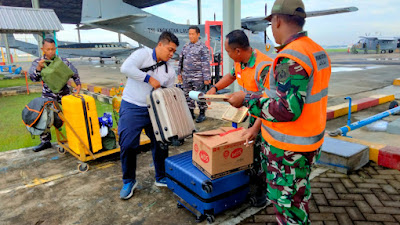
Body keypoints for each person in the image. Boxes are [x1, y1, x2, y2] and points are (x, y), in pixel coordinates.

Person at [226, 0, 331, 224]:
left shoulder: (288, 58)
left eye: (271, 23)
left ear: (278, 20)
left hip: (289, 150)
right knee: (298, 197)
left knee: (287, 207)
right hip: (310, 142)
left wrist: (246, 101)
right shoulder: (317, 51)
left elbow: (286, 108)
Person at [207, 30, 273, 207]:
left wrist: (254, 128)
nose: (226, 54)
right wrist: (214, 88)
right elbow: (231, 76)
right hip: (253, 115)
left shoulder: (264, 67)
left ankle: (262, 193)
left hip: (268, 119)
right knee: (251, 152)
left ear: (237, 51)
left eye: (228, 51)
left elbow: (269, 103)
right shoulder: (240, 62)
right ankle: (252, 183)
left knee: (263, 156)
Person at [118, 31, 179, 200]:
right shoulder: (142, 54)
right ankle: (129, 180)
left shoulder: (170, 71)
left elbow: (168, 93)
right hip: (132, 106)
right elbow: (125, 68)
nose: (171, 54)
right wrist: (148, 79)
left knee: (161, 142)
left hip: (154, 109)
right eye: (169, 49)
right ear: (160, 45)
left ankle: (161, 176)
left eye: (174, 51)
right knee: (128, 143)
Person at [28, 38, 81, 152]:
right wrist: (39, 68)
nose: (51, 52)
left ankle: (76, 138)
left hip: (64, 94)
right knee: (44, 117)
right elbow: (33, 78)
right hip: (48, 95)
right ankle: (45, 142)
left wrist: (78, 85)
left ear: (55, 49)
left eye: (53, 49)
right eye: (48, 49)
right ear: (43, 49)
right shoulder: (38, 62)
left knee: (72, 115)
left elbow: (74, 73)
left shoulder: (62, 61)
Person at [178, 26, 211, 123]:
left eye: (193, 34)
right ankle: (190, 113)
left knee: (199, 95)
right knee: (187, 95)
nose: (191, 36)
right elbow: (181, 60)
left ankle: (202, 113)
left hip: (198, 77)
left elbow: (205, 63)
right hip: (186, 76)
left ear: (198, 34)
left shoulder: (202, 48)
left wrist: (206, 78)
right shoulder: (186, 46)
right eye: (189, 34)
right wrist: (179, 73)